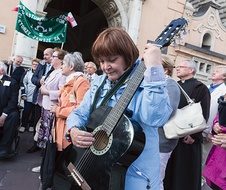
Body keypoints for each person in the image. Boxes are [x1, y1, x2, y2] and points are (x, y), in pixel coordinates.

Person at [65, 27, 172, 189]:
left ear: (127, 56)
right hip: (94, 166)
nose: (105, 66)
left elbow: (156, 118)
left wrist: (155, 69)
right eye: (101, 61)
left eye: (112, 60)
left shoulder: (150, 80)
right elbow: (80, 112)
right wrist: (73, 130)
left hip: (136, 173)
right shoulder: (100, 82)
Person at [164, 59, 211, 190]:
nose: (177, 68)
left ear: (191, 70)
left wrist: (193, 135)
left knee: (184, 171)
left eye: (181, 67)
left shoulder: (200, 87)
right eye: (177, 67)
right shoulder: (174, 85)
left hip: (188, 137)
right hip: (172, 133)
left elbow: (203, 112)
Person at [34, 48, 67, 176]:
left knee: (50, 139)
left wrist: (47, 92)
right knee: (45, 138)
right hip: (45, 107)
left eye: (54, 56)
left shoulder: (62, 74)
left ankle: (47, 167)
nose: (51, 58)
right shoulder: (53, 72)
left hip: (52, 108)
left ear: (61, 60)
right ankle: (44, 165)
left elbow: (63, 93)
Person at [50, 52, 90, 152]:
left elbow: (81, 109)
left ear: (71, 66)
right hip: (62, 128)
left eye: (63, 64)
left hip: (69, 130)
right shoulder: (71, 80)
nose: (61, 66)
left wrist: (58, 110)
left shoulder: (81, 82)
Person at [201, 65, 226, 186]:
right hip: (202, 128)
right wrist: (216, 123)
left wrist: (212, 131)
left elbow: (217, 112)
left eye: (217, 71)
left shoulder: (223, 91)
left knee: (204, 157)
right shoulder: (207, 88)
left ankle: (201, 179)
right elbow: (219, 114)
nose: (213, 72)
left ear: (224, 76)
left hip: (215, 135)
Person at [158, 55, 180, 190]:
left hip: (162, 141)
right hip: (150, 139)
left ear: (165, 70)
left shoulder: (170, 85)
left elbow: (167, 112)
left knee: (156, 178)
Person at [27, 48, 54, 154]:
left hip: (49, 100)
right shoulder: (41, 65)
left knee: (46, 124)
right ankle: (35, 144)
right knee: (35, 122)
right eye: (44, 54)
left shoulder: (56, 68)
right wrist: (39, 81)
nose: (44, 56)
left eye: (47, 54)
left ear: (52, 56)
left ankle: (44, 147)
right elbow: (33, 79)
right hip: (38, 98)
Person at [19, 58, 41, 133]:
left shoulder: (41, 73)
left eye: (36, 65)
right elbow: (23, 83)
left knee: (35, 112)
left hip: (37, 97)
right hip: (28, 95)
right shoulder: (27, 73)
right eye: (33, 64)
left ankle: (32, 125)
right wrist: (23, 93)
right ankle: (23, 125)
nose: (35, 66)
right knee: (26, 111)